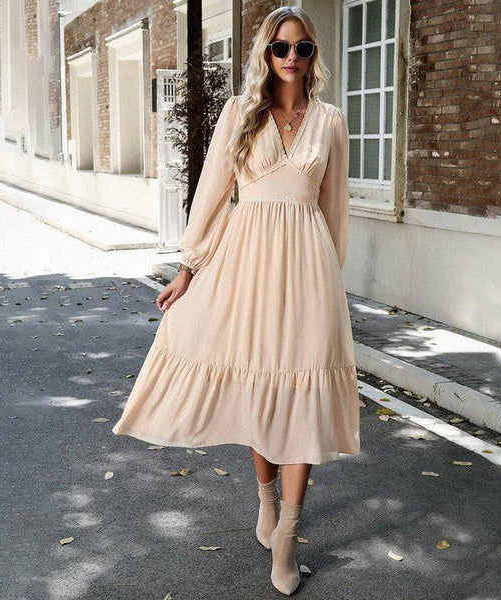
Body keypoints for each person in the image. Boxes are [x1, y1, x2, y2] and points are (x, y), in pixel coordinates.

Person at [111, 5, 361, 596]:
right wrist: (188, 269)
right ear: (265, 54)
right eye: (281, 47)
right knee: (259, 385)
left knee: (300, 394)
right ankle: (266, 499)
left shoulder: (331, 121)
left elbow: (334, 210)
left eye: (302, 48)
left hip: (308, 272)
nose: (292, 58)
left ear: (314, 55)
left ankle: (289, 534)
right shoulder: (240, 113)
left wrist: (329, 279)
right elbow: (212, 195)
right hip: (247, 265)